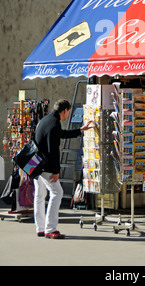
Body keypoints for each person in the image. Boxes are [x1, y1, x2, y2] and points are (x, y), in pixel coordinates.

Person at [34, 99, 93, 239]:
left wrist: (79, 130)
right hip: (46, 166)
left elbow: (60, 134)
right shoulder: (54, 124)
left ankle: (40, 228)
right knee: (57, 192)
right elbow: (53, 150)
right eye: (68, 112)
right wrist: (56, 171)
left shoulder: (46, 120)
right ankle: (50, 228)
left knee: (40, 195)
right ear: (65, 110)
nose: (68, 115)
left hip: (35, 164)